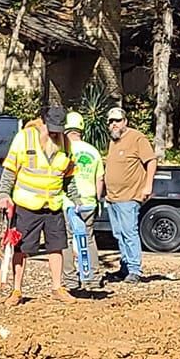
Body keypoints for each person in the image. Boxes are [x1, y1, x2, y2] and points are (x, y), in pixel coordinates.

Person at [0, 104, 76, 303]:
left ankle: (57, 288)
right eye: (51, 130)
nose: (54, 134)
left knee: (56, 247)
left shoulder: (66, 144)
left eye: (59, 131)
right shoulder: (25, 138)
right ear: (43, 124)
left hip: (53, 206)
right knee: (21, 249)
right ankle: (16, 291)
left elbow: (69, 176)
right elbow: (9, 170)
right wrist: (4, 194)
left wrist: (76, 200)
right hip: (27, 205)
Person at [103, 104, 157, 284]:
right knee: (119, 234)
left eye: (117, 120)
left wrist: (147, 186)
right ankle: (125, 268)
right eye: (110, 121)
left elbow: (151, 161)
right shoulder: (113, 141)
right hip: (112, 198)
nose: (113, 124)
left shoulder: (137, 138)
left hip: (129, 197)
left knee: (129, 232)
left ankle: (135, 270)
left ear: (125, 121)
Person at [63, 110, 105, 290]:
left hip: (68, 203)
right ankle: (93, 278)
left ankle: (70, 279)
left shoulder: (65, 150)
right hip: (89, 202)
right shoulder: (93, 151)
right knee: (88, 238)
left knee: (68, 239)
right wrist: (98, 199)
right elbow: (100, 179)